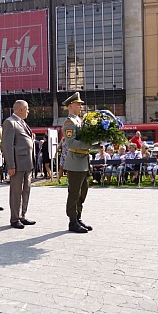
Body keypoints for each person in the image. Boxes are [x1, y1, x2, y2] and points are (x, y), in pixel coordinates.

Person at [1, 100, 36, 229]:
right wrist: (11, 165)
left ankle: (22, 215)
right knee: (16, 192)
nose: (28, 111)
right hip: (18, 164)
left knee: (26, 190)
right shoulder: (10, 122)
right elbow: (7, 145)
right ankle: (15, 218)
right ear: (20, 109)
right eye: (26, 109)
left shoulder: (22, 123)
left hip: (27, 163)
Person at [62, 92, 91, 233]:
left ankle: (78, 217)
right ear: (70, 105)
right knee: (74, 193)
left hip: (84, 161)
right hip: (75, 162)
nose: (80, 106)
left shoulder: (79, 121)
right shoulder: (69, 122)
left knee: (82, 192)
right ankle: (72, 221)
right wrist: (89, 143)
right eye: (78, 104)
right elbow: (71, 142)